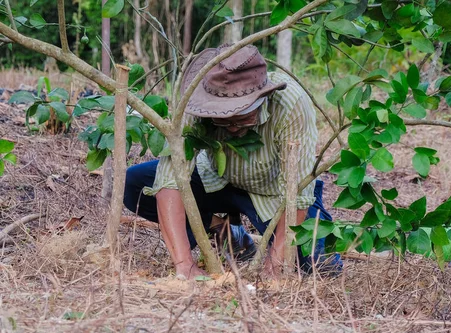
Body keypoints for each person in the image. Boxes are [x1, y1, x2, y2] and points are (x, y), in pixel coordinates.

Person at [123, 43, 342, 279]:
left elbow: (297, 195)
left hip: (274, 193)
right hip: (216, 178)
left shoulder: (291, 104)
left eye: (242, 117)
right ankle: (223, 229)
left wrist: (275, 264)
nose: (233, 127)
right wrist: (184, 265)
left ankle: (273, 244)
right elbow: (170, 179)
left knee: (319, 264)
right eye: (223, 119)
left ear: (262, 98)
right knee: (136, 184)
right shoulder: (196, 100)